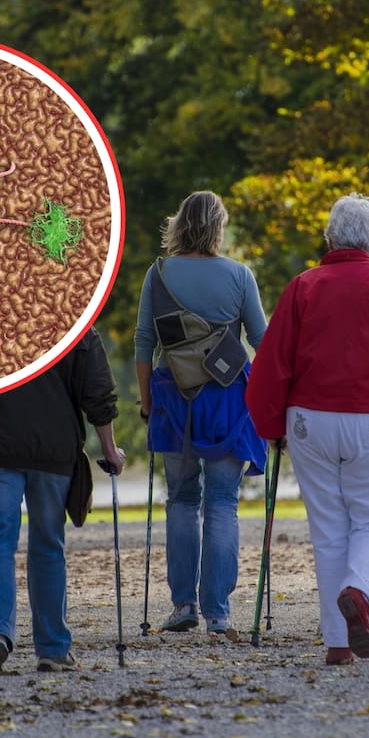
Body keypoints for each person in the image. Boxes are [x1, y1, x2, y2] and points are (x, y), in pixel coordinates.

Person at [246, 193, 369, 665]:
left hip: (311, 419)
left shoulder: (303, 286)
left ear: (329, 238)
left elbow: (273, 363)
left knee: (328, 527)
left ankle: (338, 644)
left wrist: (271, 425)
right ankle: (359, 590)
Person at [0, 326, 126, 674]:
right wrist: (109, 448)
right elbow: (98, 392)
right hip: (53, 447)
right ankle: (54, 649)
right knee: (47, 543)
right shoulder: (76, 322)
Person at [134, 191, 267, 635]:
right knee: (223, 502)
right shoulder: (239, 275)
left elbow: (143, 343)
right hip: (228, 398)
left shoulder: (159, 275)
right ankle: (218, 612)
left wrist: (147, 402)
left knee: (181, 498)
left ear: (178, 224)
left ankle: (182, 605)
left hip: (174, 396)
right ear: (218, 227)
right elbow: (262, 342)